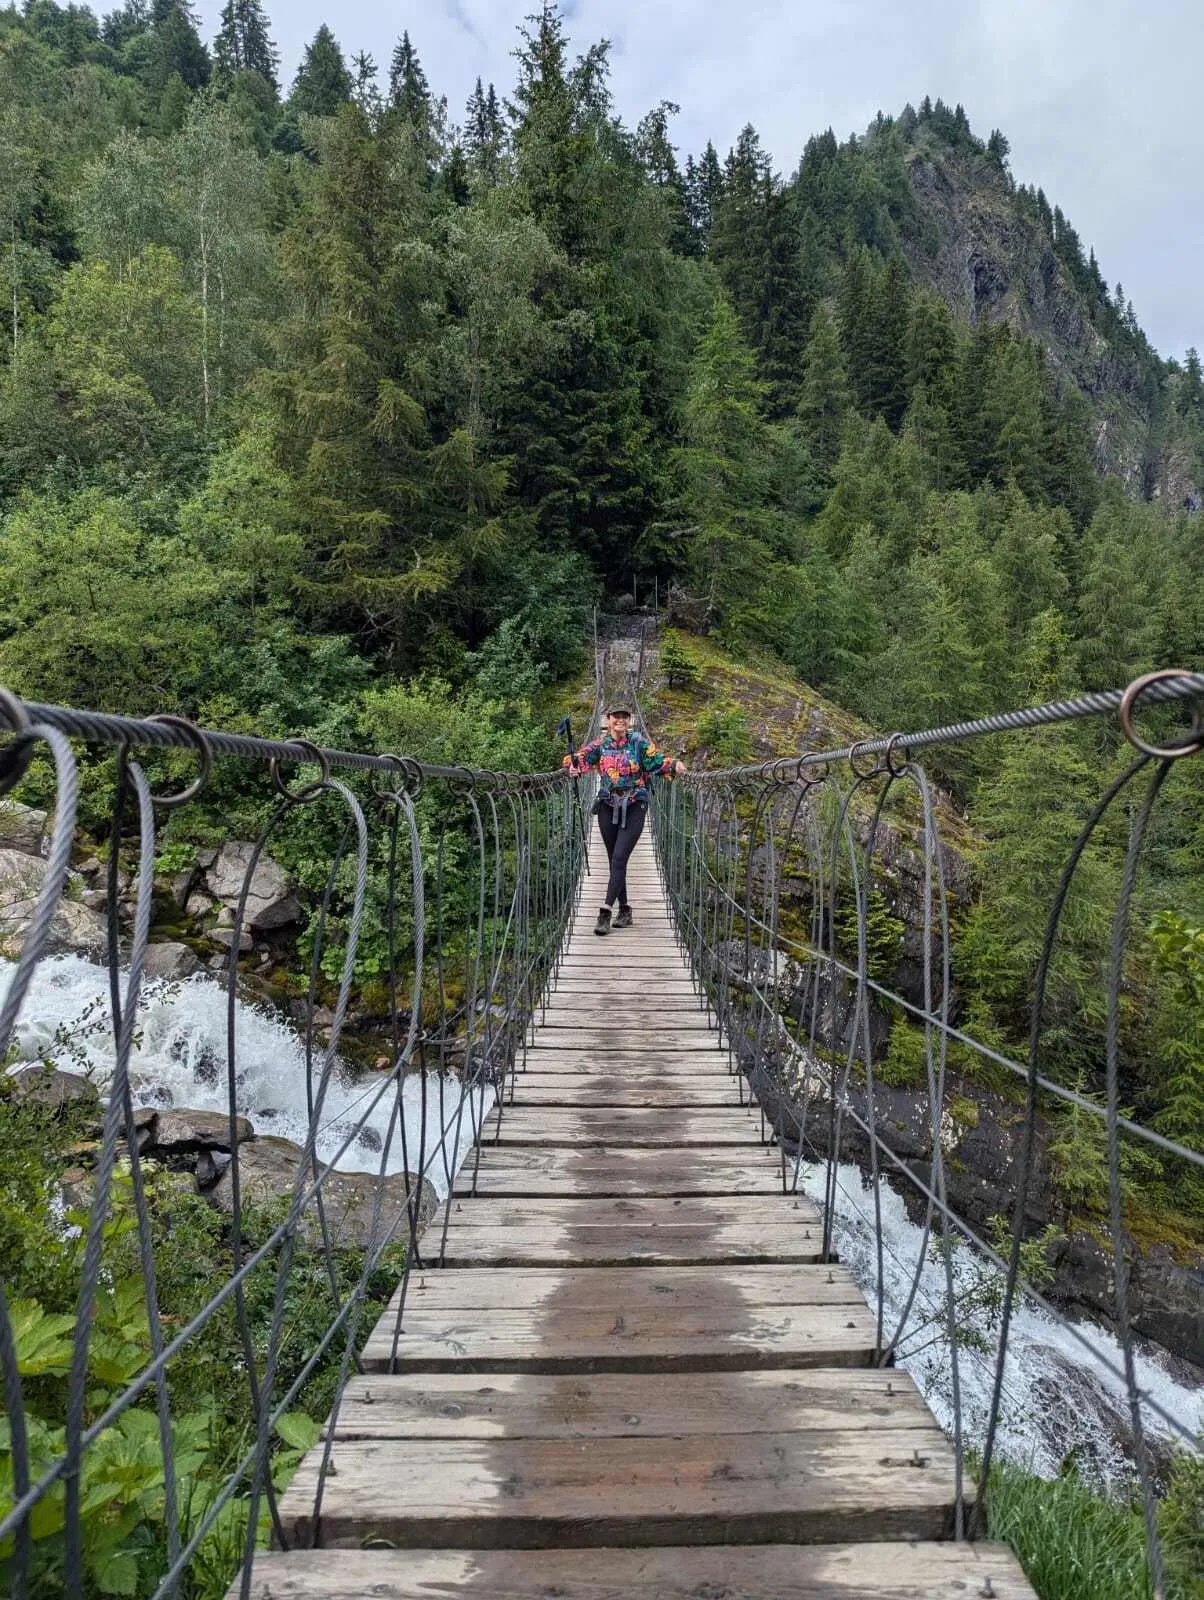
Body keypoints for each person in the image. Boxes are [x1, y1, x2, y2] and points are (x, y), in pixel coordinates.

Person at [564, 707, 686, 935]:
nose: (620, 720)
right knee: (614, 862)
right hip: (607, 806)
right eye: (615, 717)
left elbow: (656, 761)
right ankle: (626, 911)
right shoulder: (600, 744)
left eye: (624, 717)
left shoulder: (638, 742)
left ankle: (605, 912)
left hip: (634, 805)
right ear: (608, 720)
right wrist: (572, 767)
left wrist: (674, 764)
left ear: (629, 721)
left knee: (619, 857)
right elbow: (578, 760)